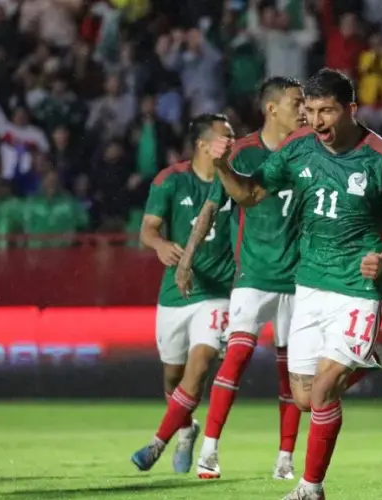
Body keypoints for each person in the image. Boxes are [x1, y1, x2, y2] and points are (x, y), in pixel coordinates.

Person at [177, 77, 382, 482]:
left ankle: (310, 487)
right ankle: (377, 353)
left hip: (358, 286)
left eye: (326, 110)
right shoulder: (299, 147)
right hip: (309, 281)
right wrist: (222, 166)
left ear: (351, 109)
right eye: (310, 111)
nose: (316, 120)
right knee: (304, 398)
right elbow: (252, 194)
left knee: (325, 389)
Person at [130, 114, 237, 473]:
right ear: (203, 144)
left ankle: (156, 445)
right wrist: (160, 246)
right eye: (226, 137)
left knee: (201, 361)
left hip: (218, 291)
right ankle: (186, 428)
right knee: (172, 378)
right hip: (176, 293)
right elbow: (148, 229)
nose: (232, 142)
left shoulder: (235, 179)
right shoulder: (170, 180)